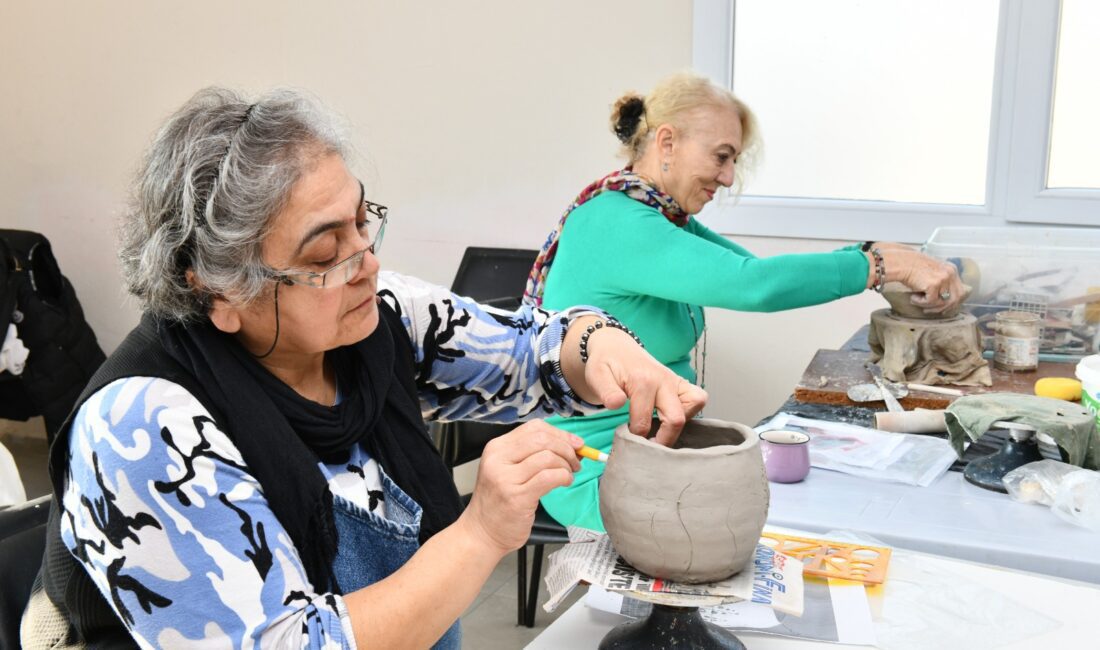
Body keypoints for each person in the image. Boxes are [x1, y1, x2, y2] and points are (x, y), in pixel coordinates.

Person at [20, 87, 706, 649]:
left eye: (361, 221)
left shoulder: (372, 316)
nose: (366, 261)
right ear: (220, 290)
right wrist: (480, 533)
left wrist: (598, 342)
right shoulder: (142, 429)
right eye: (325, 253)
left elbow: (537, 353)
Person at [524, 71, 966, 532]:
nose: (729, 177)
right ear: (668, 142)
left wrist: (875, 255)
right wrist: (881, 266)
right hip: (595, 467)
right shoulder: (615, 220)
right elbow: (754, 286)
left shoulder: (661, 215)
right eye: (721, 157)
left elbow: (756, 270)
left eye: (733, 160)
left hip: (653, 452)